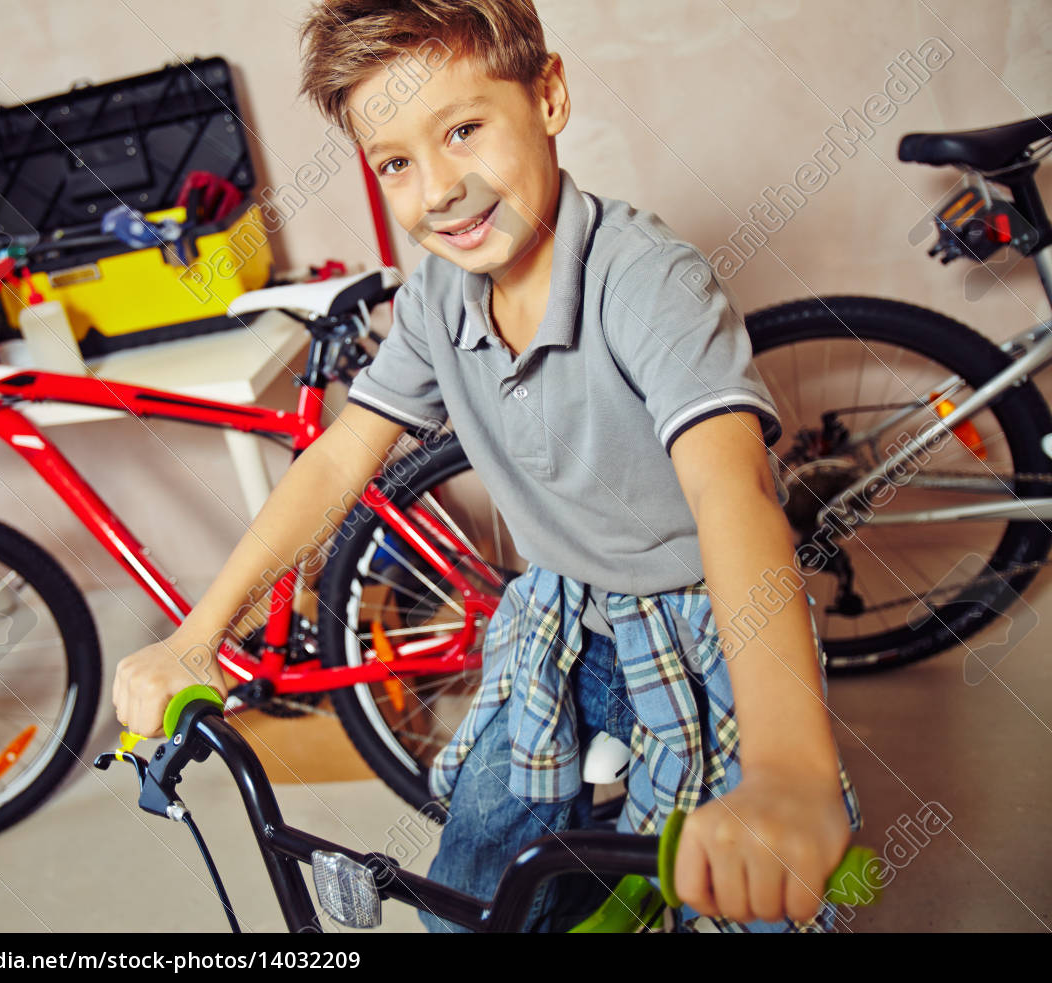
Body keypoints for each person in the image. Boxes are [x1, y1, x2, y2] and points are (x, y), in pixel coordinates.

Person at [114, 0, 861, 932]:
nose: (437, 191)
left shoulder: (646, 280)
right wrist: (201, 633)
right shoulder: (438, 291)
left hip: (705, 612)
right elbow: (345, 451)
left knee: (749, 886)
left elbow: (734, 490)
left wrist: (791, 770)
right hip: (559, 607)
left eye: (464, 129)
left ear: (548, 96)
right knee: (477, 865)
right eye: (396, 162)